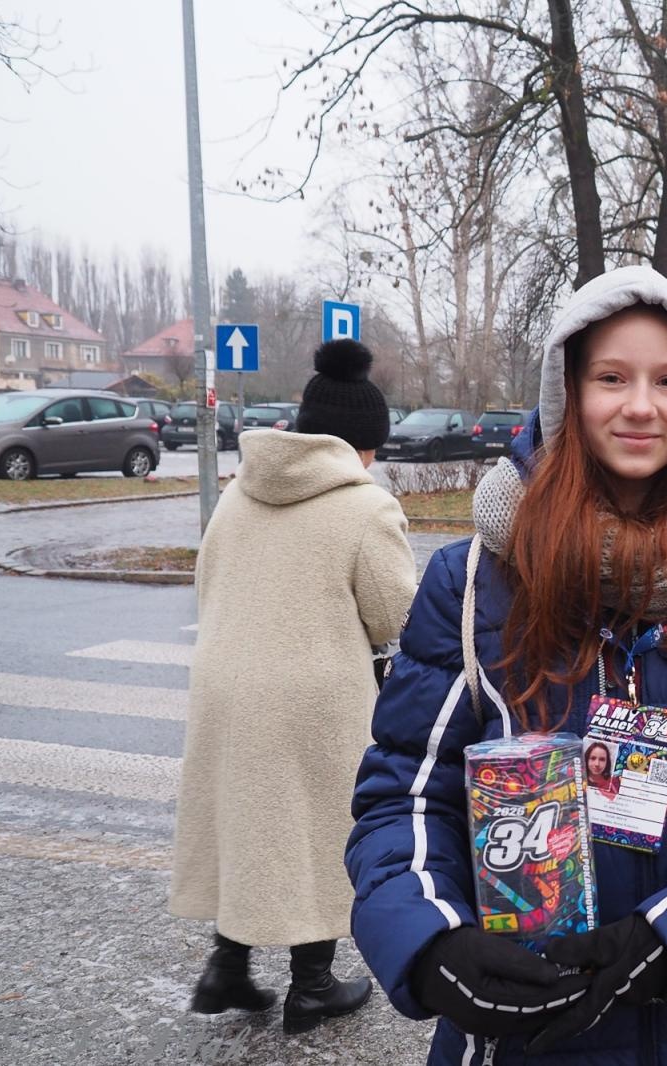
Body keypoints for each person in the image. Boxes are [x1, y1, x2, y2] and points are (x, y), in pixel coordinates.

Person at [345, 265, 667, 1065]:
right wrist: (430, 943)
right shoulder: (474, 581)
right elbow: (403, 795)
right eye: (612, 378)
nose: (641, 406)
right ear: (567, 395)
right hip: (523, 1035)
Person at [170, 338, 418, 1034]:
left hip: (225, 682)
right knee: (318, 829)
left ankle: (227, 967)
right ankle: (311, 987)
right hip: (312, 697)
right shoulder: (365, 508)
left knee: (246, 817)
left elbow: (206, 582)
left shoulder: (237, 493)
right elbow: (396, 616)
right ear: (361, 444)